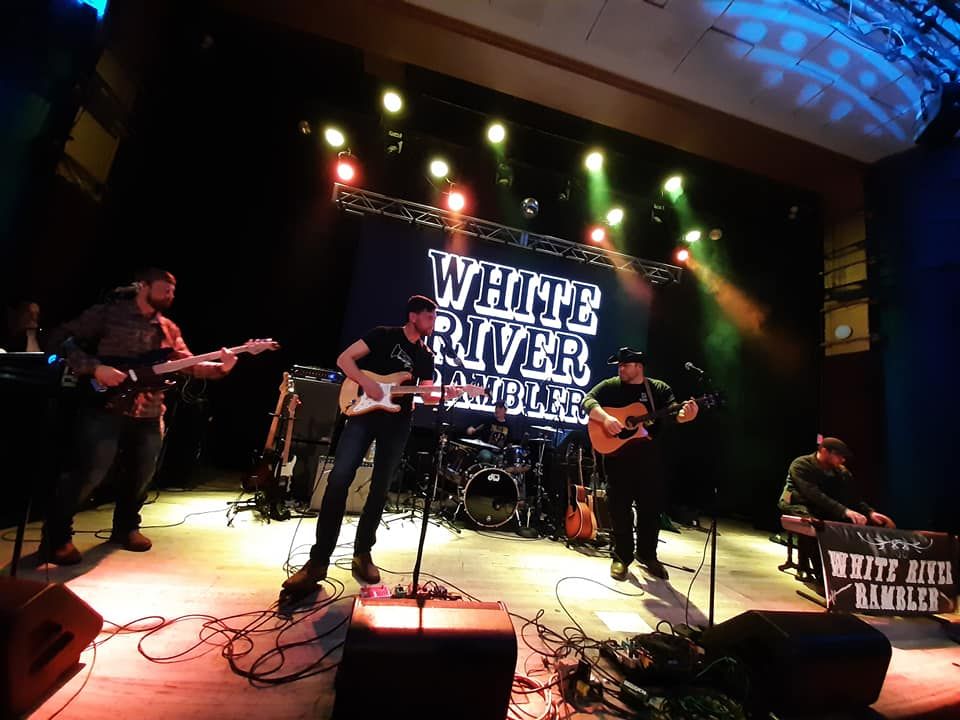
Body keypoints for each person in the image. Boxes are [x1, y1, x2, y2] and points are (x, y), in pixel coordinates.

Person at [40, 268, 237, 565]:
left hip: (149, 410)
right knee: (89, 471)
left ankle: (126, 527)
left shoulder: (168, 328)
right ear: (143, 286)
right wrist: (95, 368)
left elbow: (186, 363)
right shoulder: (107, 314)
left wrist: (222, 367)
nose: (170, 294)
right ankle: (56, 537)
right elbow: (61, 338)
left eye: (173, 290)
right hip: (105, 405)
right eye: (164, 288)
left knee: (142, 473)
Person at [282, 295, 447, 594]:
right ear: (413, 316)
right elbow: (344, 359)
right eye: (429, 317)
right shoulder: (383, 335)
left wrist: (450, 393)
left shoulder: (426, 356)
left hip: (397, 424)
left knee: (380, 489)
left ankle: (362, 553)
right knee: (339, 479)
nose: (433, 323)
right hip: (363, 417)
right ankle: (318, 561)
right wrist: (367, 382)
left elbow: (426, 394)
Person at [582, 348, 699, 581]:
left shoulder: (659, 389)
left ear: (639, 366)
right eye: (619, 365)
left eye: (625, 365)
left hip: (651, 462)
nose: (620, 369)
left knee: (650, 511)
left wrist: (686, 416)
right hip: (617, 461)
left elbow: (675, 413)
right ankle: (621, 557)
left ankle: (647, 555)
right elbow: (587, 400)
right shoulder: (611, 386)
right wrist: (606, 418)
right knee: (619, 510)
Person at [778, 437, 895, 528]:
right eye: (838, 455)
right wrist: (844, 511)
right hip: (797, 503)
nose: (843, 460)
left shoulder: (841, 472)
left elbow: (853, 498)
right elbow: (813, 494)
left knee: (848, 522)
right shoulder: (801, 464)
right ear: (824, 451)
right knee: (814, 524)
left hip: (821, 507)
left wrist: (869, 513)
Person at [466, 399, 512, 463]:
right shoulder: (488, 420)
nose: (497, 409)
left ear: (505, 410)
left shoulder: (508, 426)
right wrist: (472, 429)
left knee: (502, 460)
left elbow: (509, 443)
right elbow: (475, 428)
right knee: (486, 457)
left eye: (500, 408)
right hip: (486, 450)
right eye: (496, 407)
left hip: (499, 453)